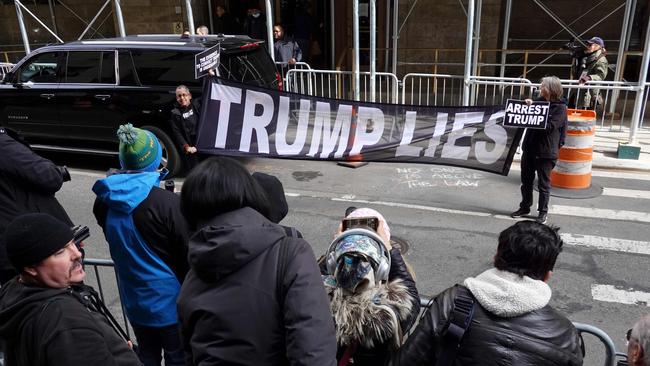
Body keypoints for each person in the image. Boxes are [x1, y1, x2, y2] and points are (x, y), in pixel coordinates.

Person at [177, 156, 337, 366]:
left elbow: (188, 355)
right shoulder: (292, 254)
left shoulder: (192, 278)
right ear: (250, 193)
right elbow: (314, 355)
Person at [390, 220, 583, 366]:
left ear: (496, 257)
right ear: (548, 275)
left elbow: (406, 361)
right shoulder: (566, 335)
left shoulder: (453, 302)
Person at [92, 124, 189, 366]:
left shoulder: (104, 201)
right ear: (156, 158)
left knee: (147, 355)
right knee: (178, 357)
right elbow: (186, 253)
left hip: (135, 301)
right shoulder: (167, 204)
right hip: (170, 303)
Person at [0, 213, 141, 366]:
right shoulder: (66, 320)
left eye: (73, 243)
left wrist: (111, 349)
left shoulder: (14, 293)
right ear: (31, 268)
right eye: (60, 252)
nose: (77, 254)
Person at [322, 208, 419, 366]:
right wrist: (389, 248)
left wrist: (337, 248)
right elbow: (410, 295)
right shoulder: (386, 315)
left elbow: (319, 276)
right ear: (383, 266)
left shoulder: (318, 303)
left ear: (334, 261)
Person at [0, 128, 73, 285]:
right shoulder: (3, 145)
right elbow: (48, 176)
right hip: (37, 246)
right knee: (60, 301)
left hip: (11, 252)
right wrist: (56, 171)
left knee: (21, 301)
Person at [511, 76, 567, 224]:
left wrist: (535, 116)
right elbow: (524, 114)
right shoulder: (539, 103)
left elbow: (550, 127)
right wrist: (528, 105)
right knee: (526, 182)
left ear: (551, 89)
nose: (540, 89)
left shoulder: (560, 108)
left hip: (546, 152)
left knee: (543, 185)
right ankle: (525, 207)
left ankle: (543, 212)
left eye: (543, 86)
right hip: (530, 149)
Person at [170, 85, 200, 171]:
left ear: (189, 96)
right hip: (191, 146)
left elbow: (208, 92)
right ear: (176, 98)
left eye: (184, 95)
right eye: (179, 96)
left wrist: (210, 77)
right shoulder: (175, 113)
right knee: (196, 171)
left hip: (201, 142)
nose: (182, 98)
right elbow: (177, 132)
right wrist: (186, 147)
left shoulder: (196, 104)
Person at [573, 36, 609, 109]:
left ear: (598, 46)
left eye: (590, 45)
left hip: (590, 93)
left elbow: (601, 75)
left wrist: (589, 77)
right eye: (588, 45)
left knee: (586, 117)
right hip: (580, 90)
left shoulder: (601, 59)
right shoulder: (587, 56)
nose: (588, 46)